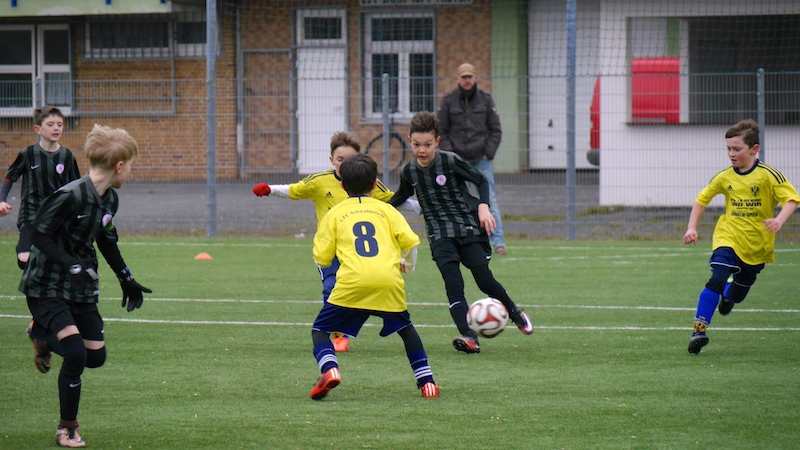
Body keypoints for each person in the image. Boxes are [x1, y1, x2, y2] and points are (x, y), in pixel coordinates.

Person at [20, 124, 152, 448]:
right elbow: (39, 235)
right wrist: (69, 263)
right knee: (76, 353)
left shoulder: (110, 199)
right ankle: (67, 428)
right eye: (130, 165)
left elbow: (106, 240)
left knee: (95, 357)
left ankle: (42, 337)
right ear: (119, 166)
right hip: (47, 284)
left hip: (81, 285)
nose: (130, 171)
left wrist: (126, 278)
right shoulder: (70, 195)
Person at [252, 131, 419, 352]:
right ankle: (339, 335)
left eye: (349, 159)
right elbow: (294, 190)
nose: (344, 163)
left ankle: (367, 323)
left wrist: (422, 206)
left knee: (366, 288)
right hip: (331, 248)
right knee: (330, 286)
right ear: (332, 160)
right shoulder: (319, 181)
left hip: (357, 250)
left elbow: (393, 199)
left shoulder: (370, 184)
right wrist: (269, 190)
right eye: (340, 159)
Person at [388, 112, 533, 355]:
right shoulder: (409, 171)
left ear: (437, 141)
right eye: (416, 144)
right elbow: (400, 196)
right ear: (409, 141)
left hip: (467, 228)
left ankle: (514, 312)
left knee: (484, 280)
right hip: (439, 234)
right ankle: (470, 338)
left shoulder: (450, 161)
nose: (422, 150)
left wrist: (484, 207)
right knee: (453, 285)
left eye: (427, 144)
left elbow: (482, 181)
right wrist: (377, 207)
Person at [308, 153, 438, 400]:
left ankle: (330, 369)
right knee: (406, 329)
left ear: (342, 186)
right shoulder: (387, 210)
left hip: (352, 283)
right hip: (387, 281)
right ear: (375, 184)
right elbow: (411, 242)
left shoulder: (334, 213)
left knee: (320, 330)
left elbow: (322, 257)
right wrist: (407, 266)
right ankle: (427, 383)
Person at [683, 119, 798, 355]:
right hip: (729, 236)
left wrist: (779, 220)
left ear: (754, 149)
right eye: (728, 149)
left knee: (738, 293)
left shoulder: (768, 175)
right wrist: (691, 227)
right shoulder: (725, 177)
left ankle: (729, 295)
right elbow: (702, 199)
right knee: (717, 277)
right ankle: (698, 331)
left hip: (757, 246)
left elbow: (791, 199)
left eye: (737, 149)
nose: (731, 154)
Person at [0, 106, 81, 374]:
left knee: (54, 272)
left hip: (57, 225)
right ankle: (41, 322)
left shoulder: (67, 156)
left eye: (60, 124)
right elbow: (9, 177)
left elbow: (76, 188)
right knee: (25, 259)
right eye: (51, 124)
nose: (56, 128)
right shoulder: (28, 154)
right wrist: (2, 200)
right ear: (38, 129)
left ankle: (39, 326)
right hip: (31, 221)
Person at [437, 62, 506, 255]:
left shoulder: (486, 100)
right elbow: (441, 132)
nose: (467, 81)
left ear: (475, 78)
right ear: (457, 79)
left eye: (470, 77)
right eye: (463, 77)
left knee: (489, 200)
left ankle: (498, 242)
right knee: (459, 202)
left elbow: (496, 130)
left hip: (481, 160)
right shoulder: (448, 101)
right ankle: (463, 241)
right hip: (458, 162)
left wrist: (488, 153)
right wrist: (452, 157)